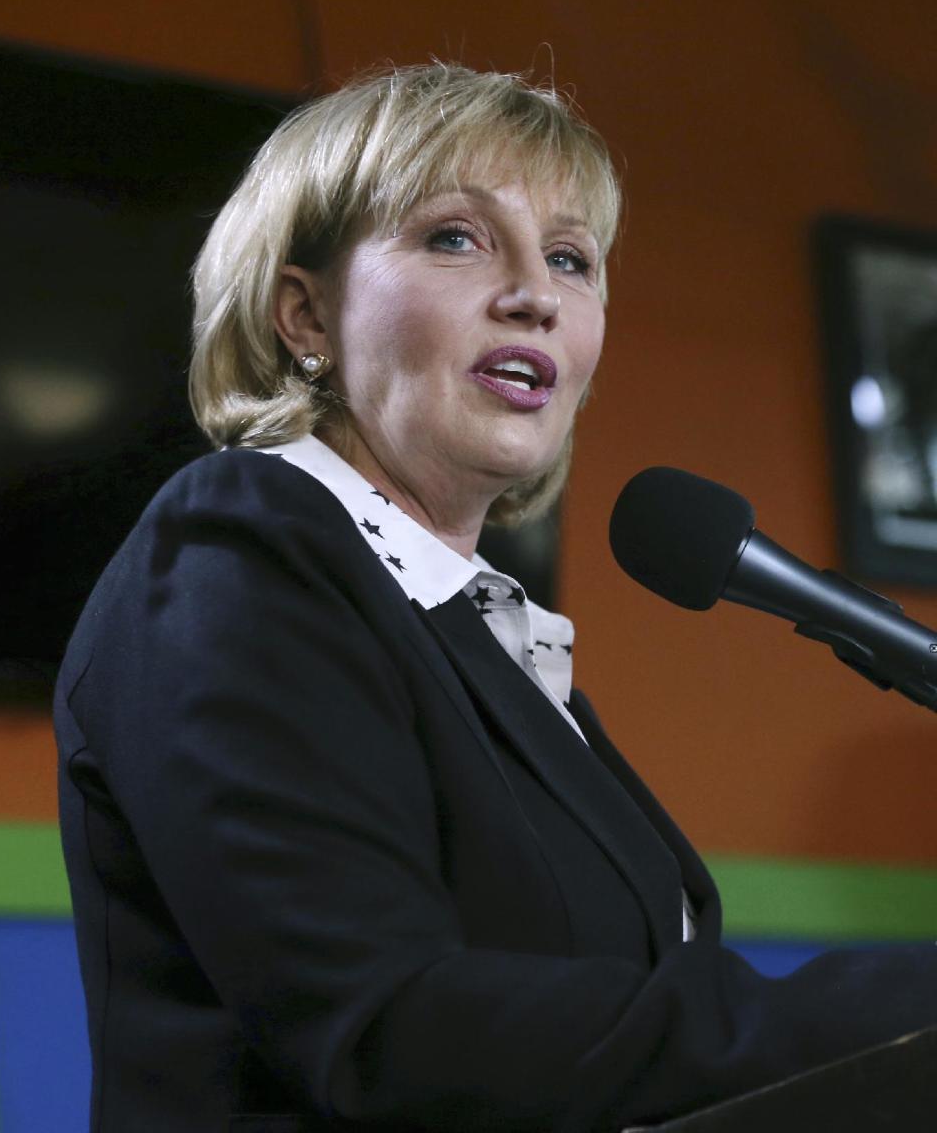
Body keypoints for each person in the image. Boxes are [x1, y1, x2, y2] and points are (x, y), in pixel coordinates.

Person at [55, 63, 937, 1133]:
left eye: (571, 259)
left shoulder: (481, 630)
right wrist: (897, 1009)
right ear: (305, 313)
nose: (537, 293)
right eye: (457, 238)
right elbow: (386, 1023)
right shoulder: (237, 543)